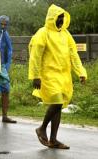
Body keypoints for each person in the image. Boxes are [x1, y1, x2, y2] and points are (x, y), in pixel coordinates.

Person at [28, 4, 87, 149]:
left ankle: (53, 139)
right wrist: (35, 75)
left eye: (62, 17)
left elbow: (73, 54)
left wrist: (81, 72)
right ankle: (42, 128)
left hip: (63, 76)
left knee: (58, 105)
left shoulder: (66, 34)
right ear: (51, 18)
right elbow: (35, 55)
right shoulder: (43, 33)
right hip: (48, 75)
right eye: (58, 17)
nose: (60, 20)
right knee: (57, 102)